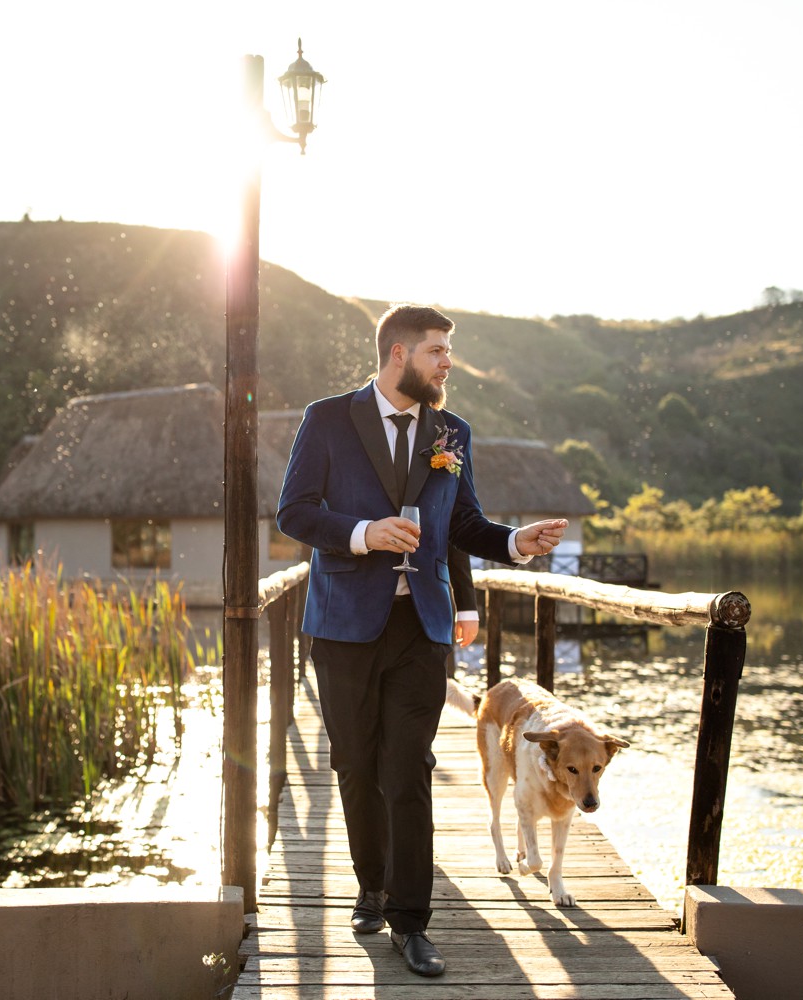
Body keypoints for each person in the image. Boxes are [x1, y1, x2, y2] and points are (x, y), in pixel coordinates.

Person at [276, 303, 566, 977]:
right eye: (437, 350)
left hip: (421, 630)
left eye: (447, 352)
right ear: (399, 354)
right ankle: (370, 885)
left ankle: (412, 920)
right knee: (355, 764)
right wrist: (363, 533)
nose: (447, 363)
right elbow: (296, 511)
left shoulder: (453, 432)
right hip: (343, 624)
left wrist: (514, 543)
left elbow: (463, 522)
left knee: (409, 769)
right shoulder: (327, 419)